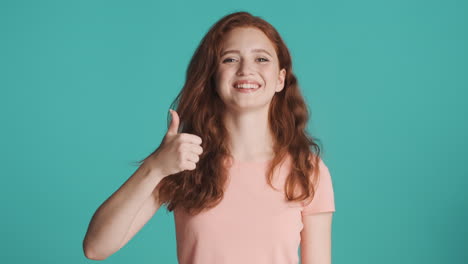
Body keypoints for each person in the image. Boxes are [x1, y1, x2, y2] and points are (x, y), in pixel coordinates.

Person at [83, 11, 336, 264]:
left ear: (280, 79)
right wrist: (155, 166)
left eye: (261, 58)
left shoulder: (308, 170)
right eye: (230, 59)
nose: (246, 69)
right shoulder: (183, 162)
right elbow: (96, 247)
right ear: (213, 77)